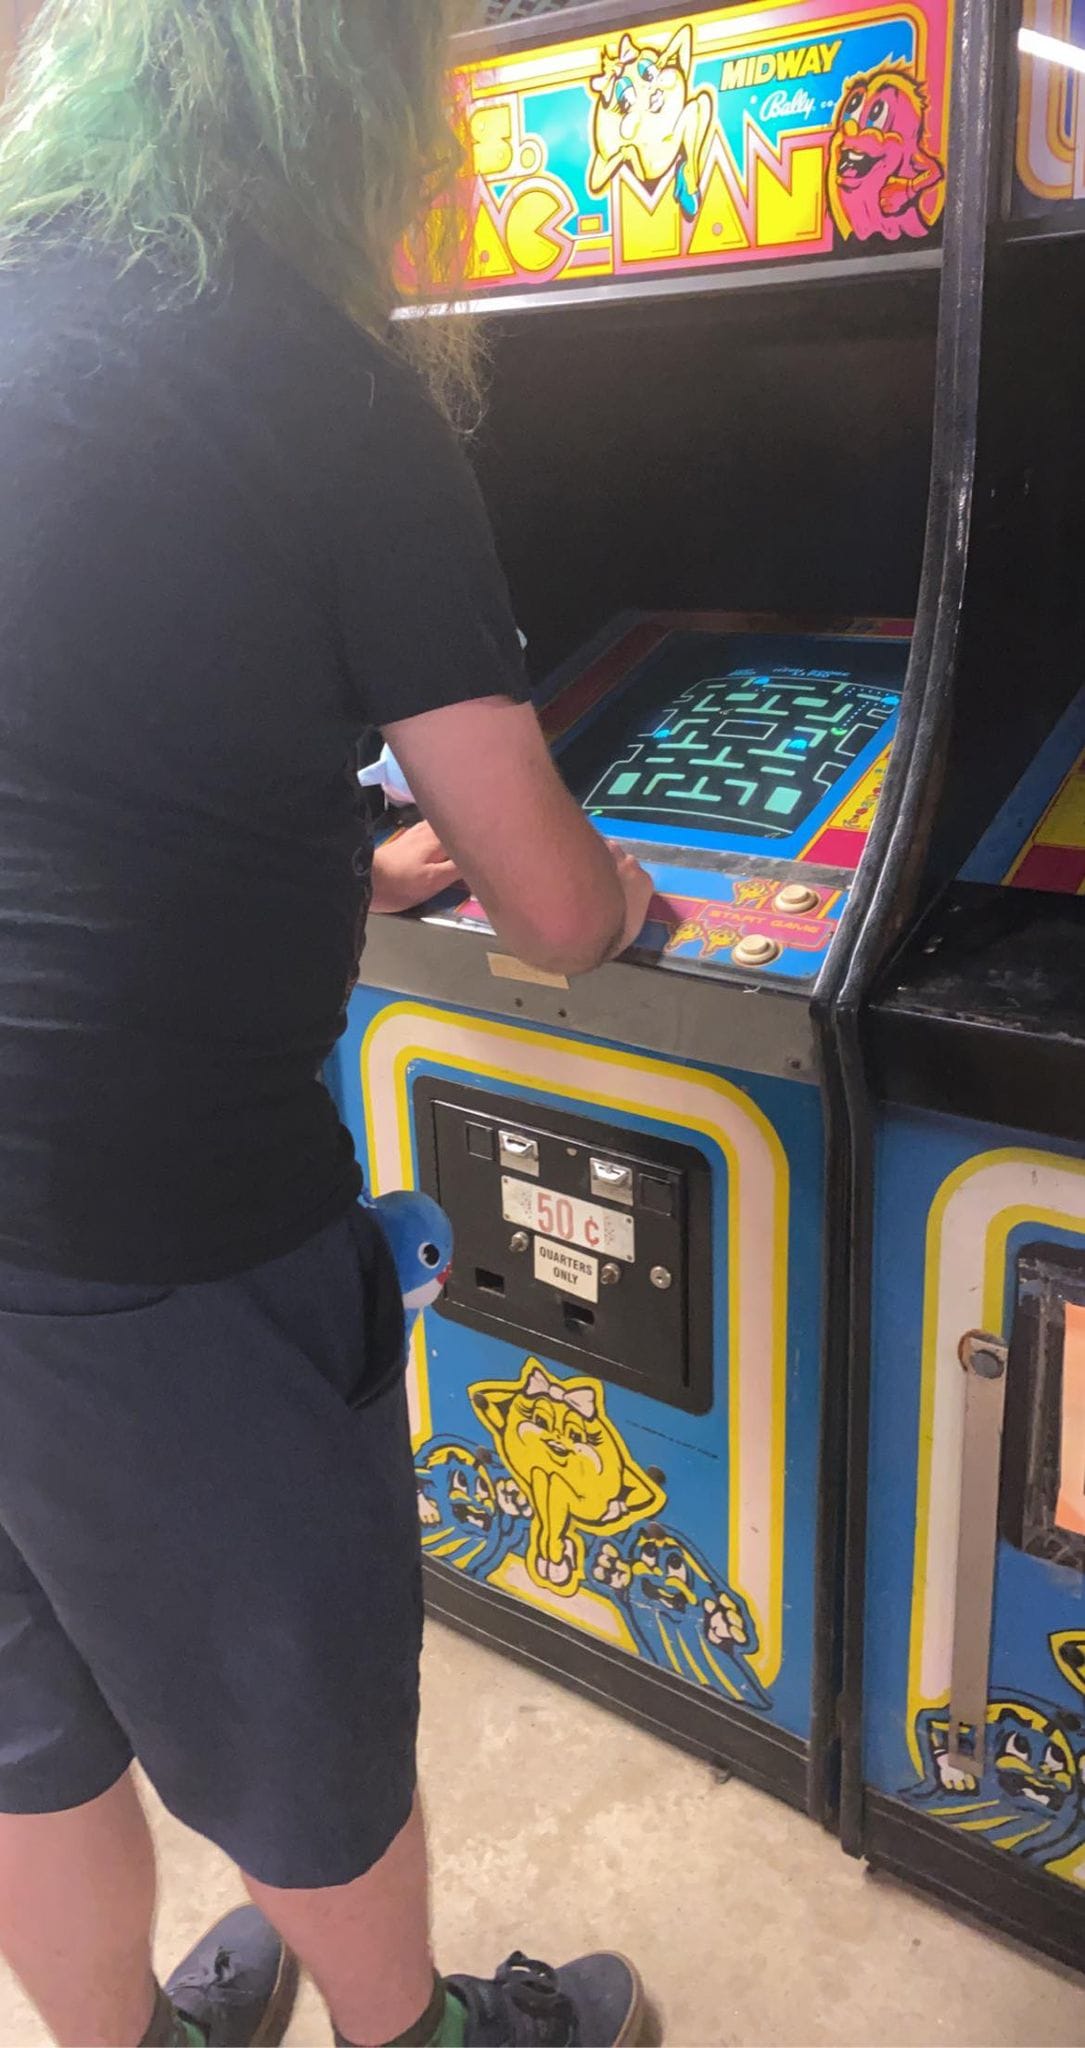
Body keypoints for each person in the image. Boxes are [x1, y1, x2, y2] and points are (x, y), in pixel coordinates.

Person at [0, 5, 655, 2048]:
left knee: (27, 1711)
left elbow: (90, 737)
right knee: (298, 1708)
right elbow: (553, 905)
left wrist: (339, 870)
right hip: (147, 1234)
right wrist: (629, 890)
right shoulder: (318, 377)